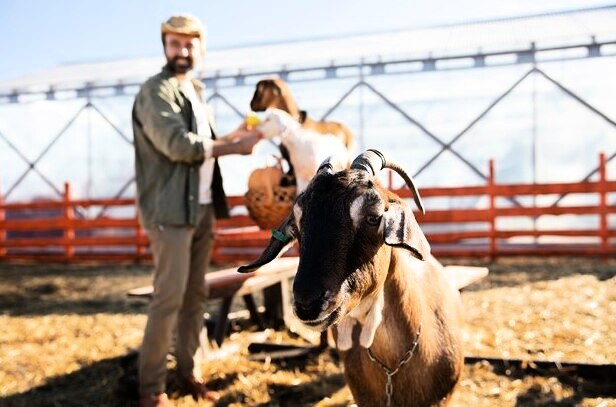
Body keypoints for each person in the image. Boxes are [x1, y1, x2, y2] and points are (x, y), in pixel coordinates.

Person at [132, 14, 260, 407]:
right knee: (168, 297)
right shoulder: (156, 92)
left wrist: (238, 134)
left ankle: (188, 373)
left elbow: (206, 142)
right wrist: (234, 148)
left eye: (189, 44)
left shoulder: (195, 91)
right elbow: (179, 145)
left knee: (194, 296)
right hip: (170, 210)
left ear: (199, 48)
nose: (182, 51)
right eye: (174, 43)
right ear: (165, 47)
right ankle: (151, 389)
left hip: (200, 206)